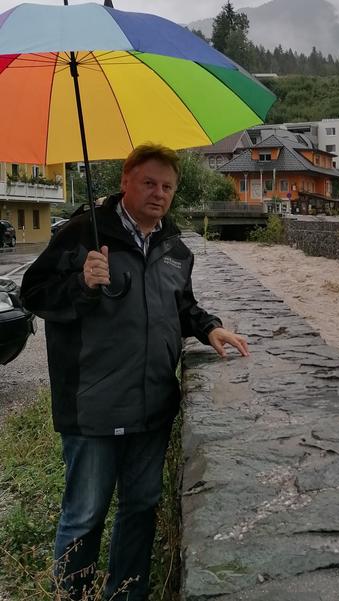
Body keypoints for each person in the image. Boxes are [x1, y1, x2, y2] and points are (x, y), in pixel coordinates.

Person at [21, 144, 249, 600]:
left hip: (152, 405)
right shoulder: (82, 234)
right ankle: (73, 596)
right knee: (85, 514)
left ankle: (126, 594)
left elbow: (180, 306)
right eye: (148, 182)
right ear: (125, 181)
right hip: (92, 408)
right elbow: (34, 295)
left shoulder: (175, 248)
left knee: (140, 507)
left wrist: (210, 329)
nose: (158, 193)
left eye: (167, 186)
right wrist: (81, 283)